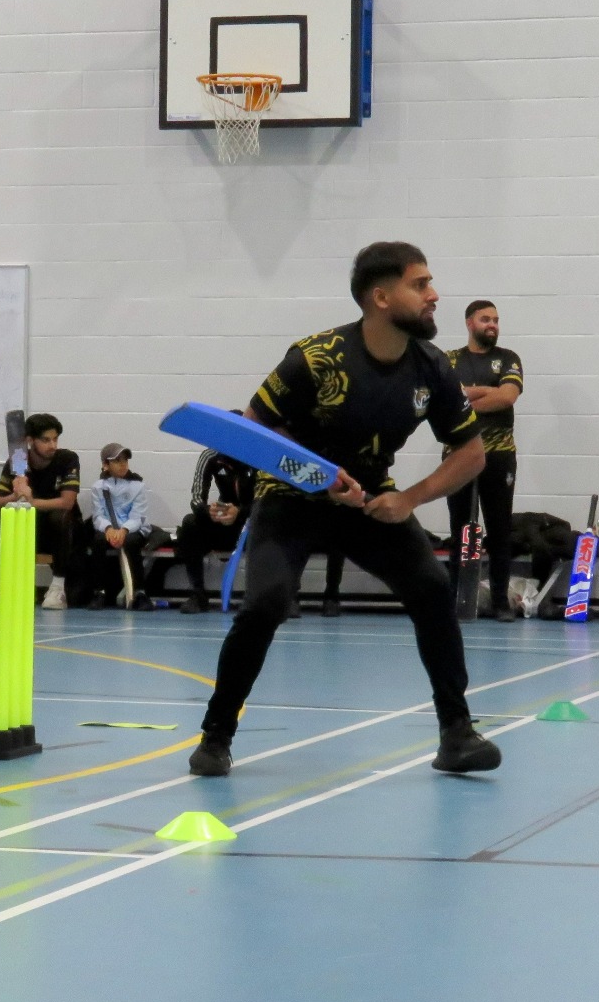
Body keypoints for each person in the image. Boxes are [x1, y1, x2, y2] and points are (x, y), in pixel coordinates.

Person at [188, 241, 500, 779]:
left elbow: (472, 453)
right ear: (381, 297)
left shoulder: (432, 367)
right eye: (420, 284)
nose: (434, 295)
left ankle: (457, 733)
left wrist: (408, 499)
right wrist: (316, 477)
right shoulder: (315, 357)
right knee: (266, 604)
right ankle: (216, 736)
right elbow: (252, 428)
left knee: (429, 588)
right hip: (291, 498)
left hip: (373, 499)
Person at [446, 300, 524, 620]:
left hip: (499, 454)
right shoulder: (449, 360)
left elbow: (507, 397)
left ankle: (500, 601)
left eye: (496, 319)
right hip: (459, 455)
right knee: (460, 528)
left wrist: (466, 394)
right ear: (469, 323)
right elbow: (444, 400)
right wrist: (482, 393)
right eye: (485, 319)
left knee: (499, 528)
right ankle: (457, 599)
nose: (492, 324)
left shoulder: (508, 358)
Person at [0, 413, 85, 611]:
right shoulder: (17, 460)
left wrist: (31, 501)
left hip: (64, 533)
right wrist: (15, 495)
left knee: (60, 517)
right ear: (30, 441)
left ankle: (58, 589)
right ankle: (8, 585)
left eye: (55, 439)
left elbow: (67, 502)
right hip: (31, 531)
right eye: (46, 440)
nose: (52, 445)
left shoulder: (67, 459)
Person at [172, 445, 255, 613]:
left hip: (250, 522)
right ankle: (198, 594)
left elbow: (265, 501)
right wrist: (209, 512)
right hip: (224, 523)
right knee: (190, 522)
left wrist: (239, 513)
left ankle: (255, 596)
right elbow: (196, 498)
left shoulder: (259, 455)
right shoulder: (211, 455)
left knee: (272, 523)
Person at [87, 443, 155, 610]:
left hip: (133, 528)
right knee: (98, 540)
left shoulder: (138, 486)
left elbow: (137, 516)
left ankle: (140, 593)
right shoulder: (98, 487)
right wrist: (109, 529)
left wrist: (124, 530)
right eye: (117, 461)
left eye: (125, 460)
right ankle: (99, 592)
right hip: (109, 529)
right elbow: (98, 516)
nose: (123, 464)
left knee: (132, 542)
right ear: (105, 465)